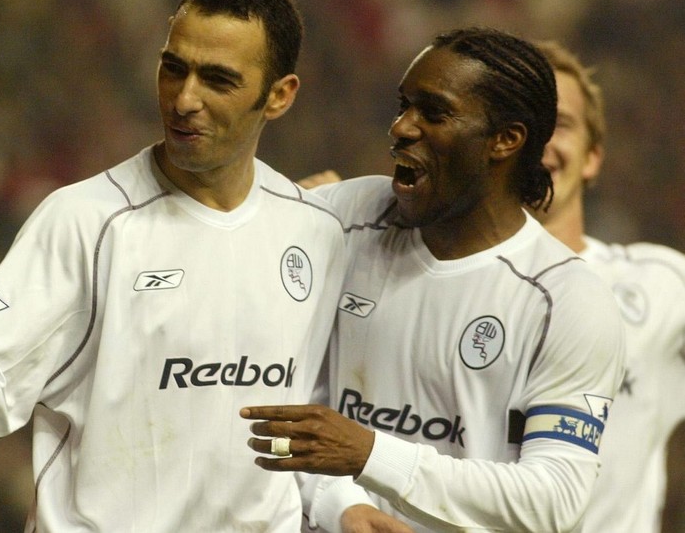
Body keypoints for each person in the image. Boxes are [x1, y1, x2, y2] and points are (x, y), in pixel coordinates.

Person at [0, 0, 347, 531]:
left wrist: (343, 505)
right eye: (173, 68)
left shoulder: (315, 230)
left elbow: (318, 428)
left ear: (280, 95)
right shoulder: (85, 221)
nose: (185, 99)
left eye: (218, 79)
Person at [241, 27, 626, 532]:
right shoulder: (343, 219)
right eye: (403, 105)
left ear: (506, 140)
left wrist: (372, 455)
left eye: (434, 113)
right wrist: (342, 506)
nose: (400, 128)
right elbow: (276, 398)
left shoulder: (567, 300)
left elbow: (552, 500)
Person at [529, 40, 685, 533]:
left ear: (593, 157)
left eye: (561, 124)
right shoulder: (424, 277)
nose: (539, 139)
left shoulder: (658, 286)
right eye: (522, 119)